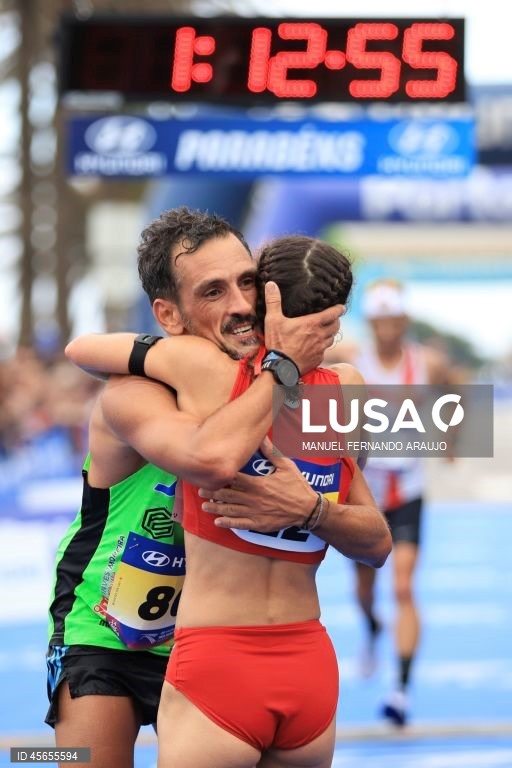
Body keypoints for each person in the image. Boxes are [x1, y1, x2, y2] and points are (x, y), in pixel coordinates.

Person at [68, 232, 392, 768]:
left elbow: (81, 349)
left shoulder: (200, 367)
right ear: (332, 321)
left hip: (216, 656)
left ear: (265, 300)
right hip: (304, 660)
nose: (237, 305)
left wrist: (305, 506)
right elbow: (374, 537)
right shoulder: (347, 387)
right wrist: (314, 509)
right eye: (216, 291)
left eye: (245, 287)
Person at [327, 278, 451, 728]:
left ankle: (400, 689)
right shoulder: (349, 360)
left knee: (403, 587)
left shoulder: (427, 363)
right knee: (364, 591)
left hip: (410, 492)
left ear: (404, 322)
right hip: (363, 494)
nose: (386, 330)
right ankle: (372, 626)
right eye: (379, 321)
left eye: (393, 321)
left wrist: (450, 438)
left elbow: (452, 388)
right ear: (372, 322)